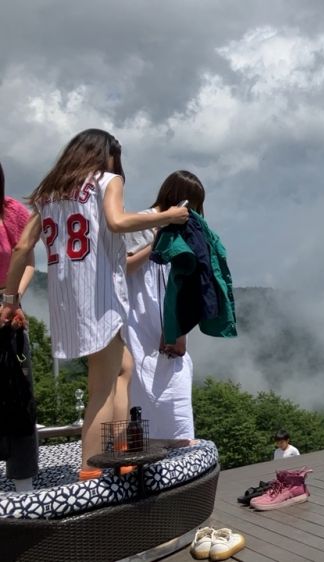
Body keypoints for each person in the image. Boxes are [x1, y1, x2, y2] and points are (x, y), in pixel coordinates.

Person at [1, 129, 189, 479]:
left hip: (66, 300)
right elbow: (118, 222)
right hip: (100, 297)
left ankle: (118, 450)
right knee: (102, 387)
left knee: (123, 369)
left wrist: (11, 299)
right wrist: (167, 217)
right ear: (106, 155)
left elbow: (22, 248)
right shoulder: (107, 180)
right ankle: (91, 469)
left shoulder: (49, 193)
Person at [122, 171, 205, 443]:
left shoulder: (185, 232)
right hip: (139, 323)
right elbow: (126, 267)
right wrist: (156, 241)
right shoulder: (143, 222)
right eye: (191, 205)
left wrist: (180, 330)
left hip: (169, 328)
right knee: (141, 403)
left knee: (178, 407)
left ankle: (182, 460)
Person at [0, 159, 37, 491]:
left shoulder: (11, 211)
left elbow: (28, 261)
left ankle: (24, 483)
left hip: (9, 306)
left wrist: (12, 300)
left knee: (19, 393)